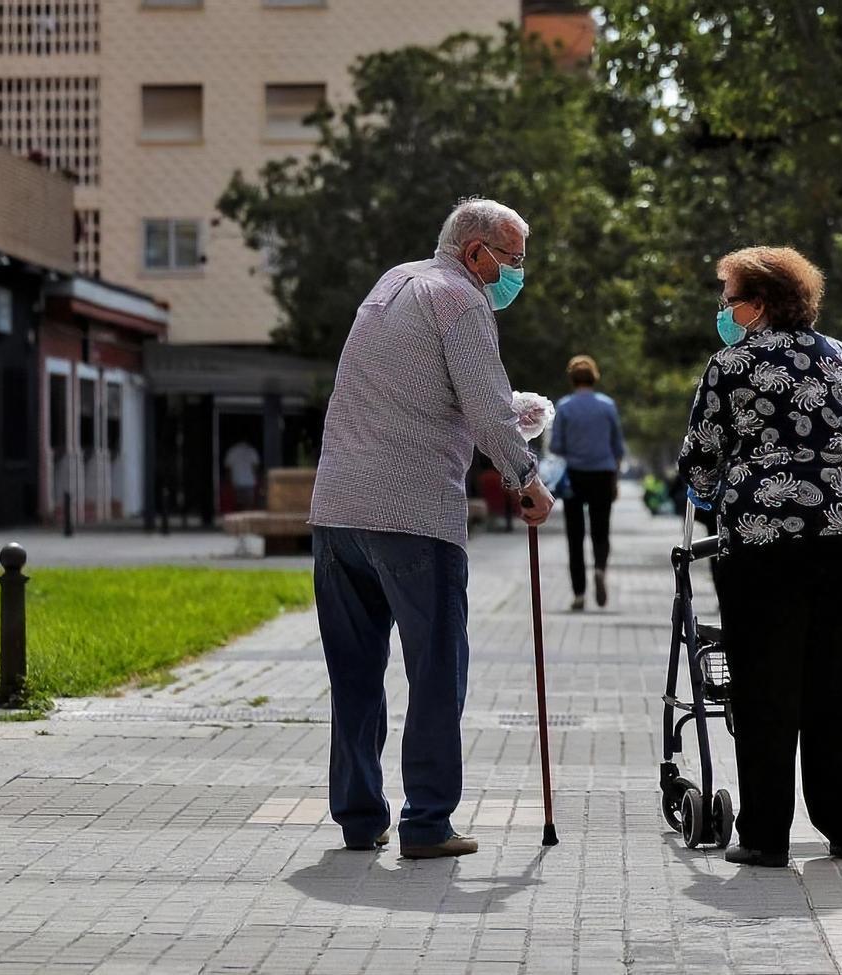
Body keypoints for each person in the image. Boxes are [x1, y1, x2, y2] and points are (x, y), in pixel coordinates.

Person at [308, 198, 555, 860]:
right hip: (413, 514)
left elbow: (421, 389)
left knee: (354, 673)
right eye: (513, 261)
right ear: (478, 254)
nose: (515, 276)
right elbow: (483, 408)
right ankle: (427, 822)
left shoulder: (395, 283)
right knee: (437, 671)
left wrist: (511, 412)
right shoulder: (463, 300)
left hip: (337, 511)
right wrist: (527, 480)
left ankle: (360, 817)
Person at [677, 245, 842, 868]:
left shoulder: (730, 365)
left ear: (758, 303)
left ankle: (765, 835)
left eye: (728, 296)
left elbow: (701, 459)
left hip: (764, 538)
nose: (723, 308)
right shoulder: (841, 356)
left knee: (765, 680)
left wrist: (710, 493)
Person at [549, 355, 625, 610]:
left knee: (575, 534)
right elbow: (617, 447)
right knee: (600, 530)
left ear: (572, 379)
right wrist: (615, 479)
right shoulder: (607, 405)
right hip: (603, 474)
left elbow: (556, 445)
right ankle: (601, 569)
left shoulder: (565, 406)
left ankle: (579, 593)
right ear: (594, 377)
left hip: (574, 476)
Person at [223, 440, 260, 510]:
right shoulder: (251, 451)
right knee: (248, 503)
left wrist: (228, 481)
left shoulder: (232, 451)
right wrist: (257, 479)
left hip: (237, 481)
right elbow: (255, 468)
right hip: (249, 481)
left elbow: (228, 469)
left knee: (238, 504)